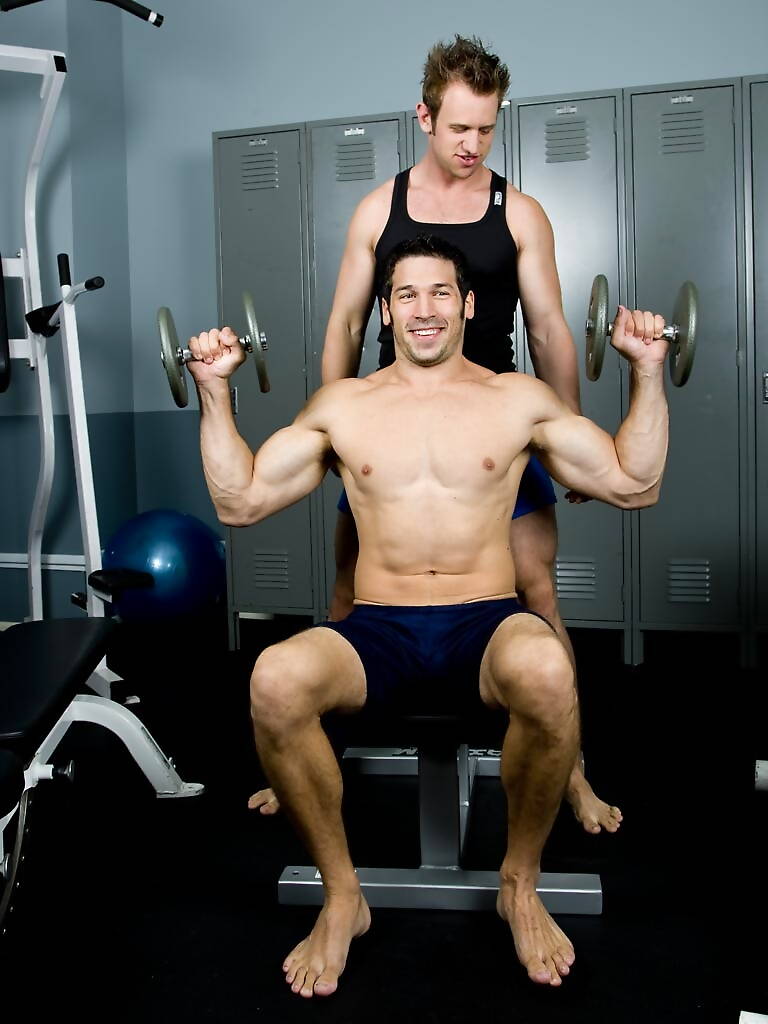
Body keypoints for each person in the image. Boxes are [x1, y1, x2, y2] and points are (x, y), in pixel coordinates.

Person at [188, 235, 669, 996]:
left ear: (468, 304)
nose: (424, 309)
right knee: (275, 679)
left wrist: (646, 369)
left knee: (547, 667)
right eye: (406, 294)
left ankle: (518, 884)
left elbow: (634, 482)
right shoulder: (344, 407)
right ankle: (343, 896)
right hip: (378, 630)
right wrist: (215, 390)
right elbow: (239, 500)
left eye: (440, 292)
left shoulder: (516, 400)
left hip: (484, 624)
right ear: (386, 311)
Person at [249, 34, 622, 835]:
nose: (472, 144)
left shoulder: (518, 212)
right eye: (458, 128)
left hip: (498, 433)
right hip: (390, 430)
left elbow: (550, 328)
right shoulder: (378, 210)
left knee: (537, 596)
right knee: (348, 593)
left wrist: (570, 442)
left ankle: (572, 769)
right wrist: (330, 432)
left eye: (486, 128)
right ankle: (307, 750)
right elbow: (347, 323)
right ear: (424, 117)